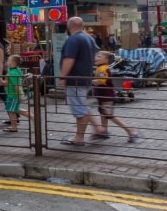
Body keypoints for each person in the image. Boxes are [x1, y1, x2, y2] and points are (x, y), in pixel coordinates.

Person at [58, 16, 108, 146]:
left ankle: (79, 138)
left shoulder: (73, 40)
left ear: (69, 26)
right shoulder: (89, 38)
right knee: (82, 105)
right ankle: (98, 129)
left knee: (80, 110)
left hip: (74, 79)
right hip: (85, 78)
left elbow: (69, 59)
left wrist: (63, 77)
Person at [93, 51, 140, 143]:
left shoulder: (103, 69)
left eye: (99, 56)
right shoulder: (100, 68)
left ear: (106, 59)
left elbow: (101, 81)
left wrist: (89, 81)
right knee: (103, 112)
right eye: (96, 56)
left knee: (108, 115)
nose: (96, 58)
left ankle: (130, 131)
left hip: (106, 97)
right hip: (102, 96)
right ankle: (104, 130)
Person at [2, 54, 31, 133]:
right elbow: (7, 82)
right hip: (11, 94)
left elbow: (16, 86)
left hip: (13, 95)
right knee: (14, 109)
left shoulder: (13, 73)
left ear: (13, 63)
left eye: (8, 61)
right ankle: (32, 117)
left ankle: (14, 127)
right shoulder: (14, 71)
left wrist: (20, 96)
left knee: (12, 111)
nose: (7, 62)